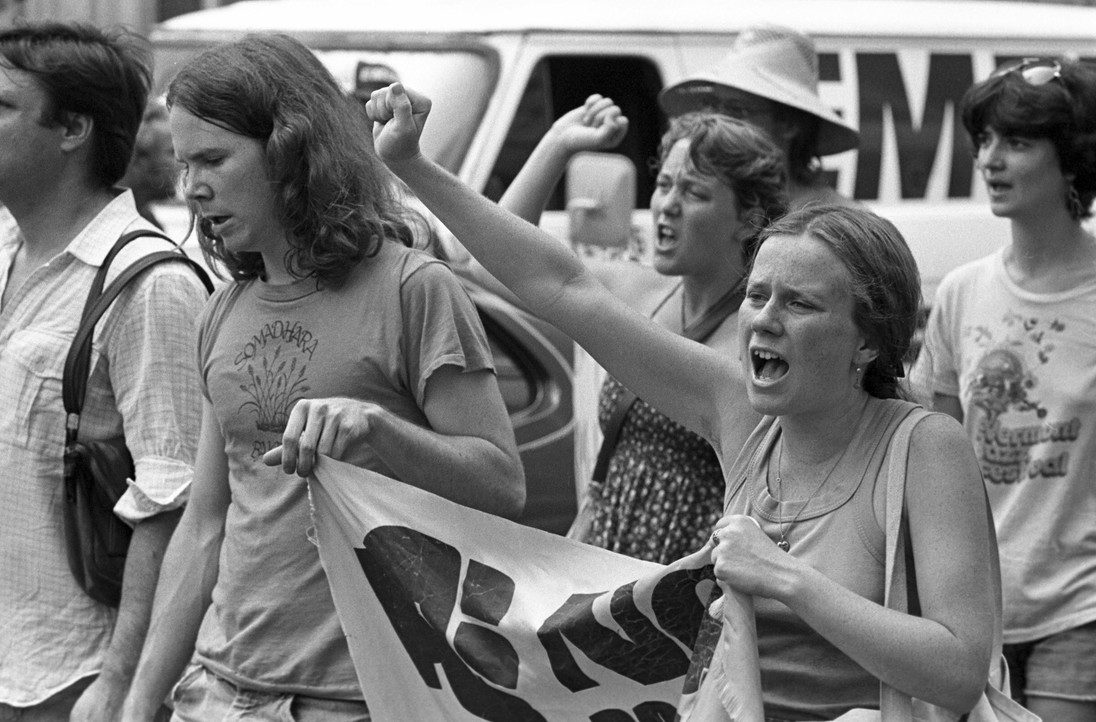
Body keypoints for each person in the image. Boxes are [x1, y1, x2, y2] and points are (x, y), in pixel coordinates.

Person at [366, 82, 997, 719]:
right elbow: (562, 286)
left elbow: (958, 671)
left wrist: (784, 579)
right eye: (757, 296)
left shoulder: (922, 445)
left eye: (799, 303)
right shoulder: (742, 412)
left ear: (867, 339)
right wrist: (413, 165)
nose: (763, 321)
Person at [120, 34, 524, 722]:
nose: (192, 188)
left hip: (360, 697)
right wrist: (139, 701)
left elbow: (502, 485)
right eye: (183, 165)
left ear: (289, 151)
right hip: (217, 691)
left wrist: (379, 431)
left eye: (213, 159)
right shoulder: (223, 307)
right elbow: (205, 524)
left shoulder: (413, 287)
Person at [0, 22, 208, 721]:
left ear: (73, 129)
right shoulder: (5, 247)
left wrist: (121, 685)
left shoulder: (148, 282)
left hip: (71, 679)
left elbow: (174, 502)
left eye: (1, 105)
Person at [496, 95, 786, 562]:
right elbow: (497, 257)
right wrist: (558, 144)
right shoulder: (636, 290)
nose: (666, 206)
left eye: (693, 193)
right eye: (664, 184)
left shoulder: (763, 337)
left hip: (688, 591)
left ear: (749, 219)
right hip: (605, 571)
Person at [913, 56, 1096, 721]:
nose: (991, 159)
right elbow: (934, 461)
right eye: (985, 140)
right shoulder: (962, 292)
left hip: (1082, 609)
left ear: (1074, 158)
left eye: (1017, 142)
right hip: (968, 611)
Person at [659, 24, 860, 209]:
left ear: (789, 123)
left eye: (736, 110)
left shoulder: (839, 225)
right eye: (712, 106)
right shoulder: (706, 209)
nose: (718, 122)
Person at [120, 100, 177, 230]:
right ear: (140, 158)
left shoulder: (147, 221)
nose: (182, 162)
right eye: (172, 152)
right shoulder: (114, 224)